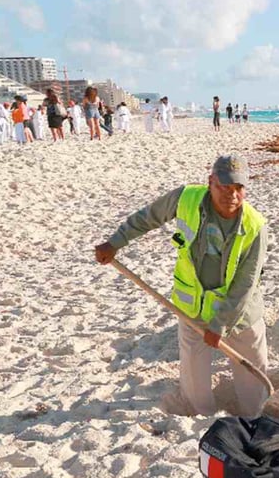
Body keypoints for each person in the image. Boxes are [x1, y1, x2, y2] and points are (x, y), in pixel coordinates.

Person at [93, 154, 269, 417]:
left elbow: (245, 284)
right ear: (210, 182)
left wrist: (219, 324)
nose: (232, 195)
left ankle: (254, 418)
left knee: (252, 377)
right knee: (194, 377)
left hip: (240, 315)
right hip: (192, 310)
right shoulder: (186, 199)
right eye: (224, 186)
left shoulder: (255, 227)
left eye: (238, 188)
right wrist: (116, 242)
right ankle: (203, 419)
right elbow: (147, 217)